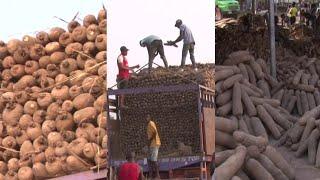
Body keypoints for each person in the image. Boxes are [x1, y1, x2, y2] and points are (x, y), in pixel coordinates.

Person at [146, 114, 161, 179]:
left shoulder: (151, 123)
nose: (146, 118)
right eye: (145, 117)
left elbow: (155, 132)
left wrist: (150, 141)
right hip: (151, 144)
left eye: (147, 117)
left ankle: (157, 176)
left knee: (154, 160)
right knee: (149, 160)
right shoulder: (148, 124)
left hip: (154, 144)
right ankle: (150, 175)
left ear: (150, 118)